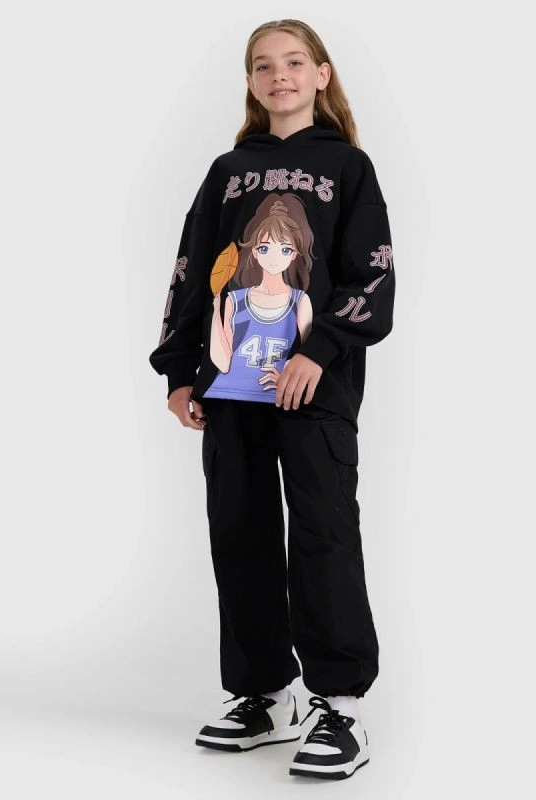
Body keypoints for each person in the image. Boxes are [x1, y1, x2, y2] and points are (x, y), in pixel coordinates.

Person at [148, 19, 396, 781]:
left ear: (321, 74)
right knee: (240, 529)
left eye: (293, 62)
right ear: (251, 82)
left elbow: (373, 273)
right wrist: (179, 369)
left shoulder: (348, 167)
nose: (278, 75)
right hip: (231, 387)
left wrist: (318, 352)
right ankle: (263, 694)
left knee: (323, 530)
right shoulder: (228, 171)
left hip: (313, 386)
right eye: (263, 65)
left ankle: (340, 705)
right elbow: (194, 269)